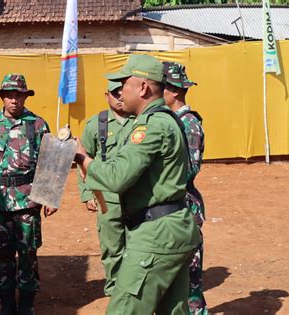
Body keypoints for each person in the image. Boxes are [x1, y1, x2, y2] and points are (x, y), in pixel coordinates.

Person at [74, 55, 200, 314]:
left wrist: (82, 158)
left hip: (156, 236)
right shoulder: (164, 120)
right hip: (172, 228)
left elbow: (117, 177)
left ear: (142, 88)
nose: (120, 92)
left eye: (124, 84)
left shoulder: (152, 126)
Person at [0, 74, 57, 315]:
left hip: (28, 202)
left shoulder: (38, 125)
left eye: (19, 95)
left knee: (28, 254)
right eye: (9, 95)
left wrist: (50, 198)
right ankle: (6, 304)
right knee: (1, 254)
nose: (14, 100)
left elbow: (49, 164)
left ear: (25, 96)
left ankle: (27, 304)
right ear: (2, 97)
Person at [77, 80, 133, 296]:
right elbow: (82, 159)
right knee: (112, 248)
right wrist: (87, 193)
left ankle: (134, 291)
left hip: (135, 196)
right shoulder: (96, 124)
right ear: (106, 95)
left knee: (136, 245)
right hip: (106, 199)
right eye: (114, 93)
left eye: (122, 92)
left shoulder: (139, 121)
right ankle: (115, 290)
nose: (119, 97)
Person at [163, 61, 207, 315]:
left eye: (163, 89)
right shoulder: (171, 121)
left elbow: (189, 169)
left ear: (176, 91)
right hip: (173, 209)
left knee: (190, 282)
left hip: (185, 208)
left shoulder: (188, 124)